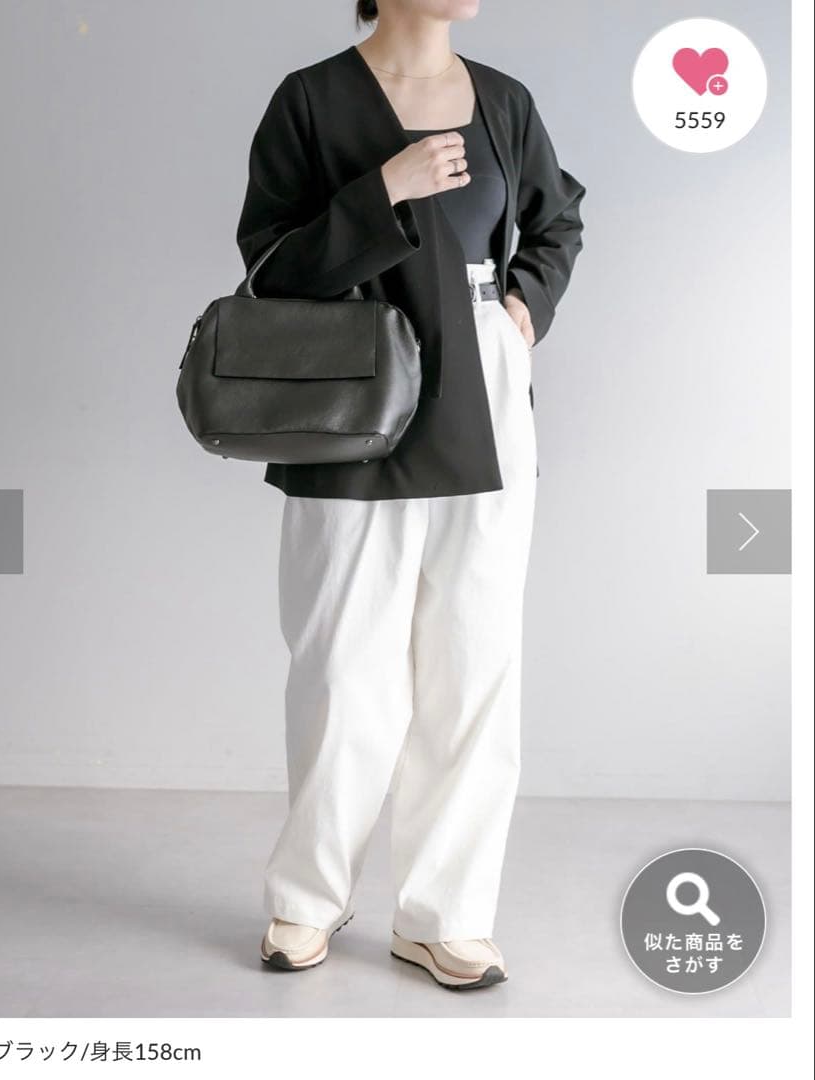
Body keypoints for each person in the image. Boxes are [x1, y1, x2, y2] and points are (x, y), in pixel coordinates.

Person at [235, 0, 585, 990]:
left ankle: (445, 917)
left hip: (482, 394)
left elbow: (555, 220)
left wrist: (522, 305)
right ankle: (307, 899)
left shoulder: (503, 102)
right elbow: (269, 268)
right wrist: (382, 190)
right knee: (341, 668)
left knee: (473, 664)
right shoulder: (310, 101)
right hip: (350, 397)